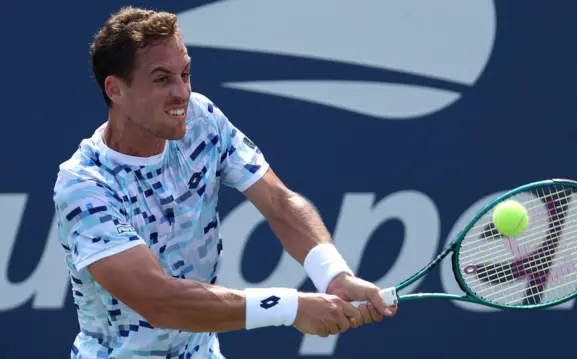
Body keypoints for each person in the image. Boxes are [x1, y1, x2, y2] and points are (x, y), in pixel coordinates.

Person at [52, 6, 397, 359]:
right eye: (161, 79)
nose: (182, 92)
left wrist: (333, 274)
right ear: (115, 90)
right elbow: (160, 302)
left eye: (185, 74)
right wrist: (290, 308)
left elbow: (278, 202)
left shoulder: (201, 120)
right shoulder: (84, 186)